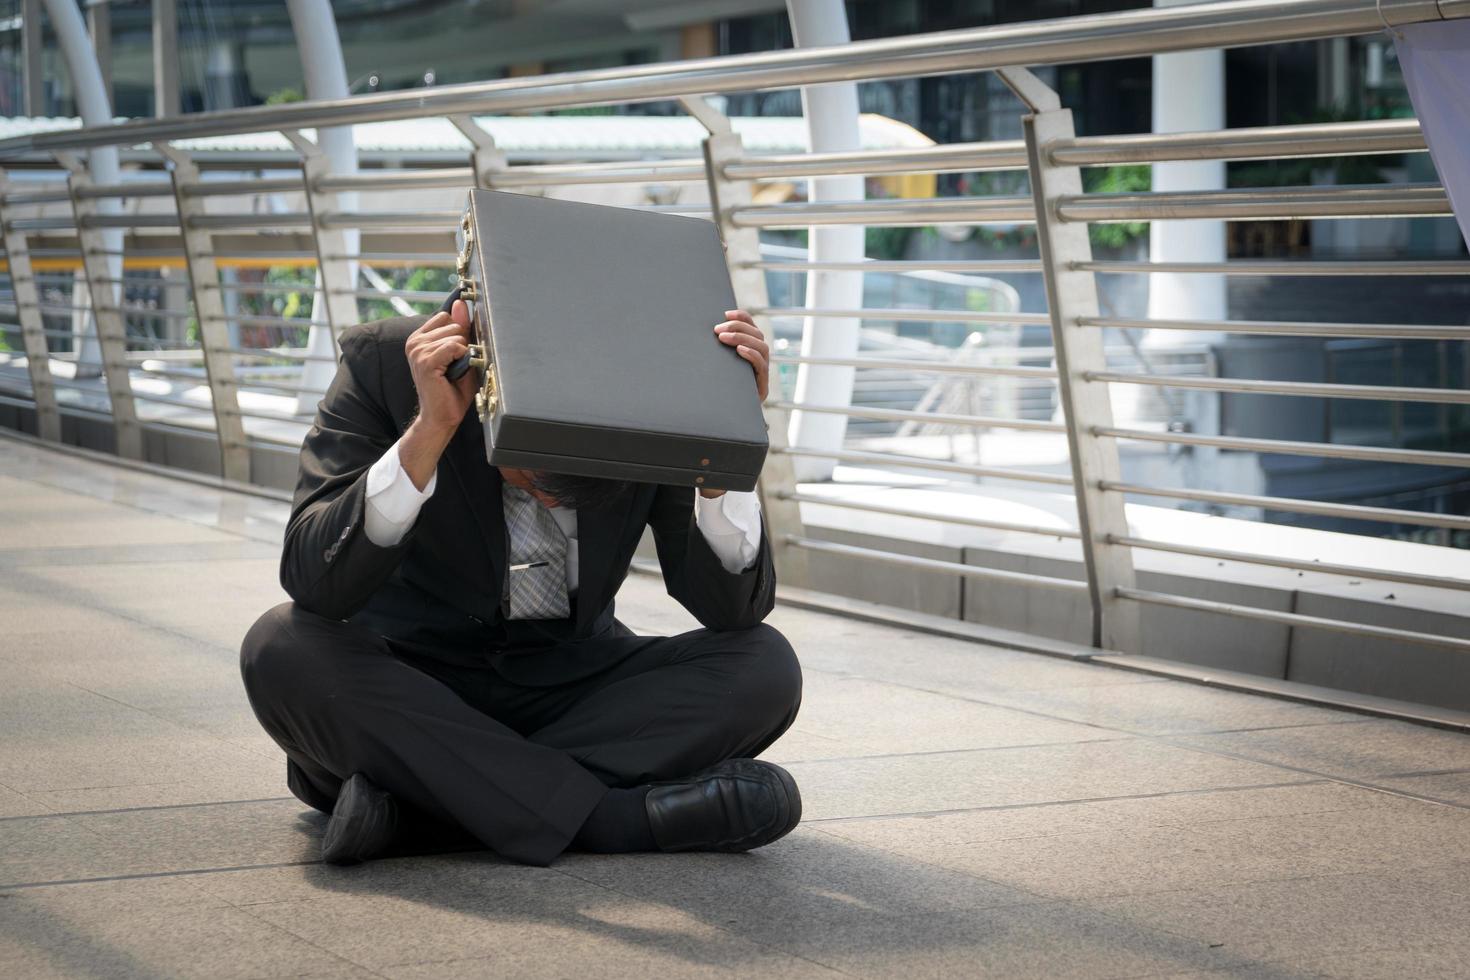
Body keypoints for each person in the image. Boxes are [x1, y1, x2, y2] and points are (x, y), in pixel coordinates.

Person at [239, 297, 802, 868]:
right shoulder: (382, 362)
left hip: (571, 683)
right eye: (533, 475)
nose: (549, 499)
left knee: (764, 665)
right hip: (414, 681)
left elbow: (731, 610)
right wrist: (428, 432)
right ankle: (614, 819)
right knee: (281, 645)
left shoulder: (652, 384)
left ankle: (421, 811)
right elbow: (315, 582)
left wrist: (722, 447)